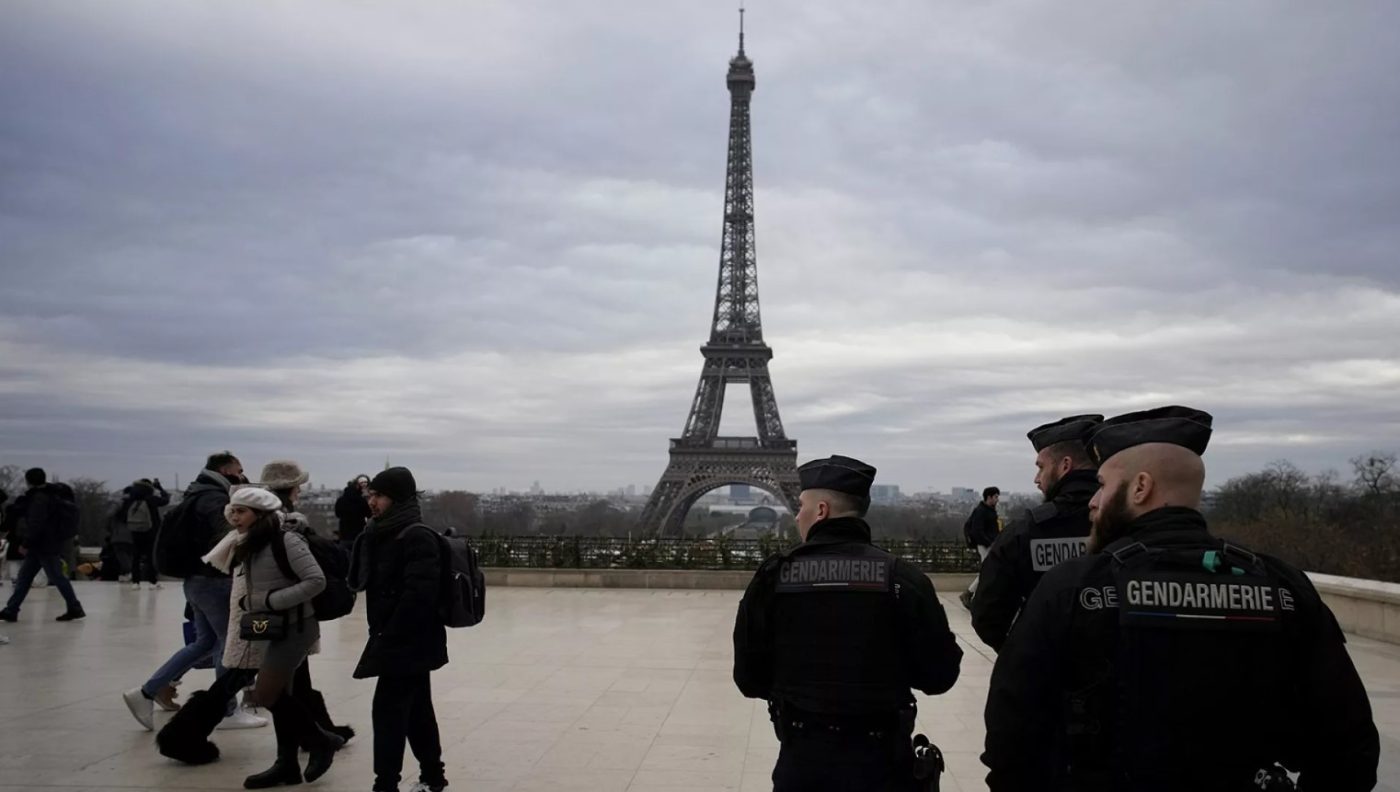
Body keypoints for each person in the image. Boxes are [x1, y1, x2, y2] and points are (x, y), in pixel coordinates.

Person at [982, 406, 1380, 790]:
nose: (1092, 500)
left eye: (1102, 485)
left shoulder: (1074, 588)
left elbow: (1011, 737)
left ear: (1141, 487)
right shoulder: (1282, 587)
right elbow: (1348, 745)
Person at [733, 455, 963, 792]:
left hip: (803, 758)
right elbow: (939, 676)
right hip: (882, 761)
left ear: (821, 510)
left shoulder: (774, 578)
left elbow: (749, 679)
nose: (797, 515)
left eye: (801, 507)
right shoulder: (902, 578)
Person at [124, 453, 267, 732]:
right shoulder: (214, 500)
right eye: (238, 471)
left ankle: (147, 692)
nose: (241, 475)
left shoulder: (195, 494)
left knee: (204, 643)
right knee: (228, 644)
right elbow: (231, 535)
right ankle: (227, 710)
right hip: (214, 579)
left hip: (197, 580)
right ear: (226, 470)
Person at [211, 485, 340, 788]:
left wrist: (269, 601)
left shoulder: (287, 541)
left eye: (241, 511)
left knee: (266, 694)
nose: (234, 517)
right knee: (284, 695)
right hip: (270, 626)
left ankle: (321, 741)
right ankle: (287, 764)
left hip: (295, 627)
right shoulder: (247, 542)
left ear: (260, 514)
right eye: (233, 511)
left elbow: (315, 580)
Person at [349, 466, 449, 792]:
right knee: (417, 711)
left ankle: (385, 785)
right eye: (371, 495)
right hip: (401, 638)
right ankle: (433, 778)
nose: (371, 502)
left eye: (378, 495)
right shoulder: (383, 532)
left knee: (388, 713)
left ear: (398, 498)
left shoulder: (415, 535)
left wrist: (388, 637)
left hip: (405, 640)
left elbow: (419, 595)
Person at [970, 415, 1102, 651]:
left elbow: (987, 615)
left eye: (1041, 467)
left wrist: (1025, 656)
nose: (1036, 479)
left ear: (1065, 465)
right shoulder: (1128, 524)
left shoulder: (1026, 532)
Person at [260, 459, 356, 747]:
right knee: (270, 682)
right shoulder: (287, 526)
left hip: (269, 610)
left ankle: (312, 736)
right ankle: (316, 735)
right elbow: (316, 576)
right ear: (291, 489)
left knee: (290, 679)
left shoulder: (260, 521)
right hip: (277, 611)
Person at [0, 468, 84, 622]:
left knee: (56, 577)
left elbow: (36, 524)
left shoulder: (39, 498)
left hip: (44, 544)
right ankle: (11, 609)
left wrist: (26, 543)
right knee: (24, 577)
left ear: (28, 481)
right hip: (44, 543)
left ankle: (75, 607)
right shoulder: (51, 494)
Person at [112, 478, 172, 590]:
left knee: (136, 556)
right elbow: (165, 500)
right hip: (151, 531)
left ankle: (136, 582)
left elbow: (123, 516)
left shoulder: (130, 500)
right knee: (150, 557)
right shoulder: (151, 499)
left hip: (135, 531)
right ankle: (152, 582)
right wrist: (159, 488)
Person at [958, 486, 1001, 609]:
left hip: (988, 544)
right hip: (985, 545)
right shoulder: (981, 511)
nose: (997, 500)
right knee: (987, 571)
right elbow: (978, 531)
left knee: (988, 571)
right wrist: (989, 543)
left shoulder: (987, 510)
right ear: (989, 497)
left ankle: (971, 594)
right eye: (996, 497)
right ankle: (969, 594)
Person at [335, 475, 373, 553]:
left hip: (344, 535)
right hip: (358, 535)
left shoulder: (341, 500)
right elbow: (369, 514)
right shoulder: (361, 501)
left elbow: (337, 514)